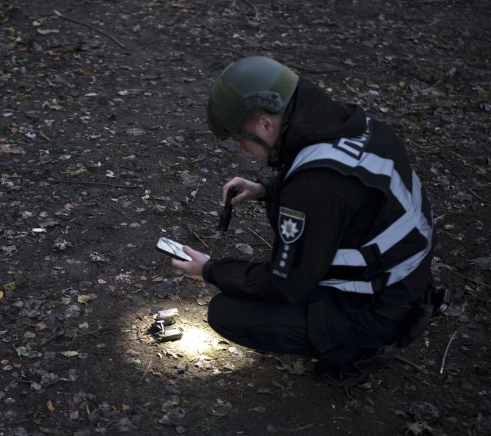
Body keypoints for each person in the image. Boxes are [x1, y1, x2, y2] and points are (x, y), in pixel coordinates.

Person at [172, 56, 440, 387]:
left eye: (241, 139)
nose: (241, 149)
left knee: (226, 313)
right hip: (405, 281)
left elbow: (285, 285)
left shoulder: (313, 188)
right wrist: (266, 189)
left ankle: (359, 351)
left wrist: (211, 270)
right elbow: (345, 192)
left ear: (267, 124)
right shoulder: (355, 125)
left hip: (378, 308)